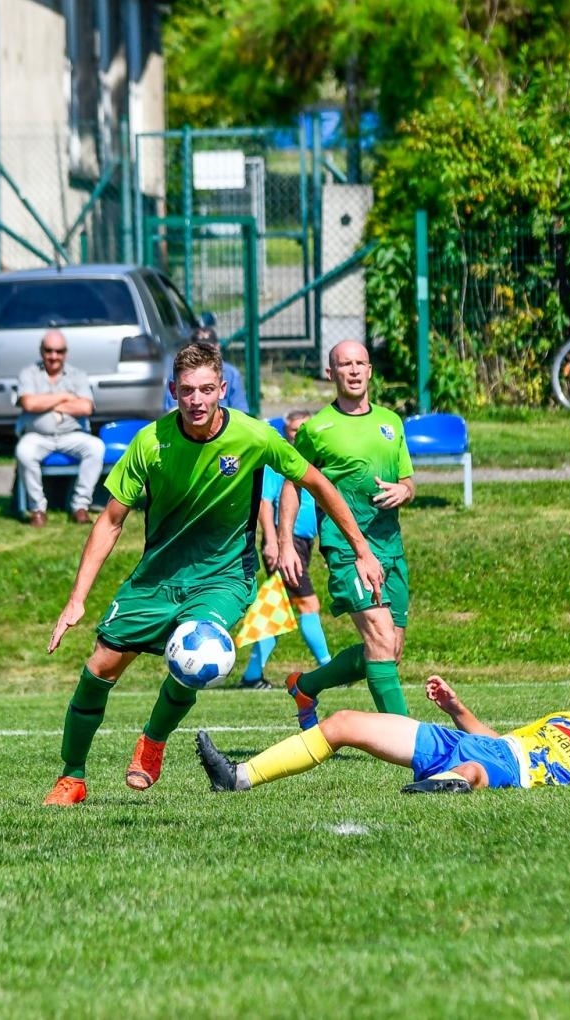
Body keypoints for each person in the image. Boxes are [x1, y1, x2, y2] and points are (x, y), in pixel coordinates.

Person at [41, 341, 385, 807]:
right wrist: (77, 598)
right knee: (100, 667)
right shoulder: (151, 443)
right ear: (173, 391)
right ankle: (72, 777)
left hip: (224, 577)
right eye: (187, 390)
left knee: (197, 652)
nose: (197, 400)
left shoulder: (254, 436)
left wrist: (362, 550)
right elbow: (110, 521)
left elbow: (317, 483)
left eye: (206, 389)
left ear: (222, 389)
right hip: (158, 578)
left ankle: (154, 739)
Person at [195, 663, 570, 794]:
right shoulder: (566, 718)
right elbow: (497, 738)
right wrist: (457, 707)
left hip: (507, 770)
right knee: (343, 722)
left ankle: (436, 788)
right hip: (476, 743)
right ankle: (237, 776)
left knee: (475, 772)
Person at [275, 340, 414, 728]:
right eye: (344, 364)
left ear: (370, 370)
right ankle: (408, 742)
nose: (353, 370)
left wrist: (404, 491)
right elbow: (292, 484)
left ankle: (305, 686)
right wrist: (285, 542)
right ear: (330, 373)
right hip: (346, 549)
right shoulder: (317, 429)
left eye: (359, 363)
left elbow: (408, 481)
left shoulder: (391, 422)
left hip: (389, 545)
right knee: (381, 639)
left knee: (389, 649)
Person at [239, 409, 332, 689]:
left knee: (276, 610)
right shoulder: (279, 460)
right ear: (286, 433)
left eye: (304, 429)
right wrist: (272, 541)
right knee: (308, 604)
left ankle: (251, 676)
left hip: (303, 543)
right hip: (285, 542)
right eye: (293, 430)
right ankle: (329, 669)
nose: (299, 435)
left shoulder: (316, 460)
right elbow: (265, 502)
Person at [15, 330, 104, 527]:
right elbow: (29, 403)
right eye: (48, 350)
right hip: (37, 435)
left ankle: (80, 506)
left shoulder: (78, 375)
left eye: (59, 351)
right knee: (24, 451)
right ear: (41, 351)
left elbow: (86, 407)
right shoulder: (28, 373)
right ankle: (38, 510)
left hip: (72, 434)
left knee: (96, 447)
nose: (54, 356)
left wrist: (44, 403)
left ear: (66, 353)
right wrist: (65, 396)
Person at [162, 326, 249, 413]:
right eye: (187, 390)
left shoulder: (231, 373)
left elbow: (239, 410)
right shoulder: (180, 373)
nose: (203, 354)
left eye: (207, 389)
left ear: (218, 347)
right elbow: (171, 410)